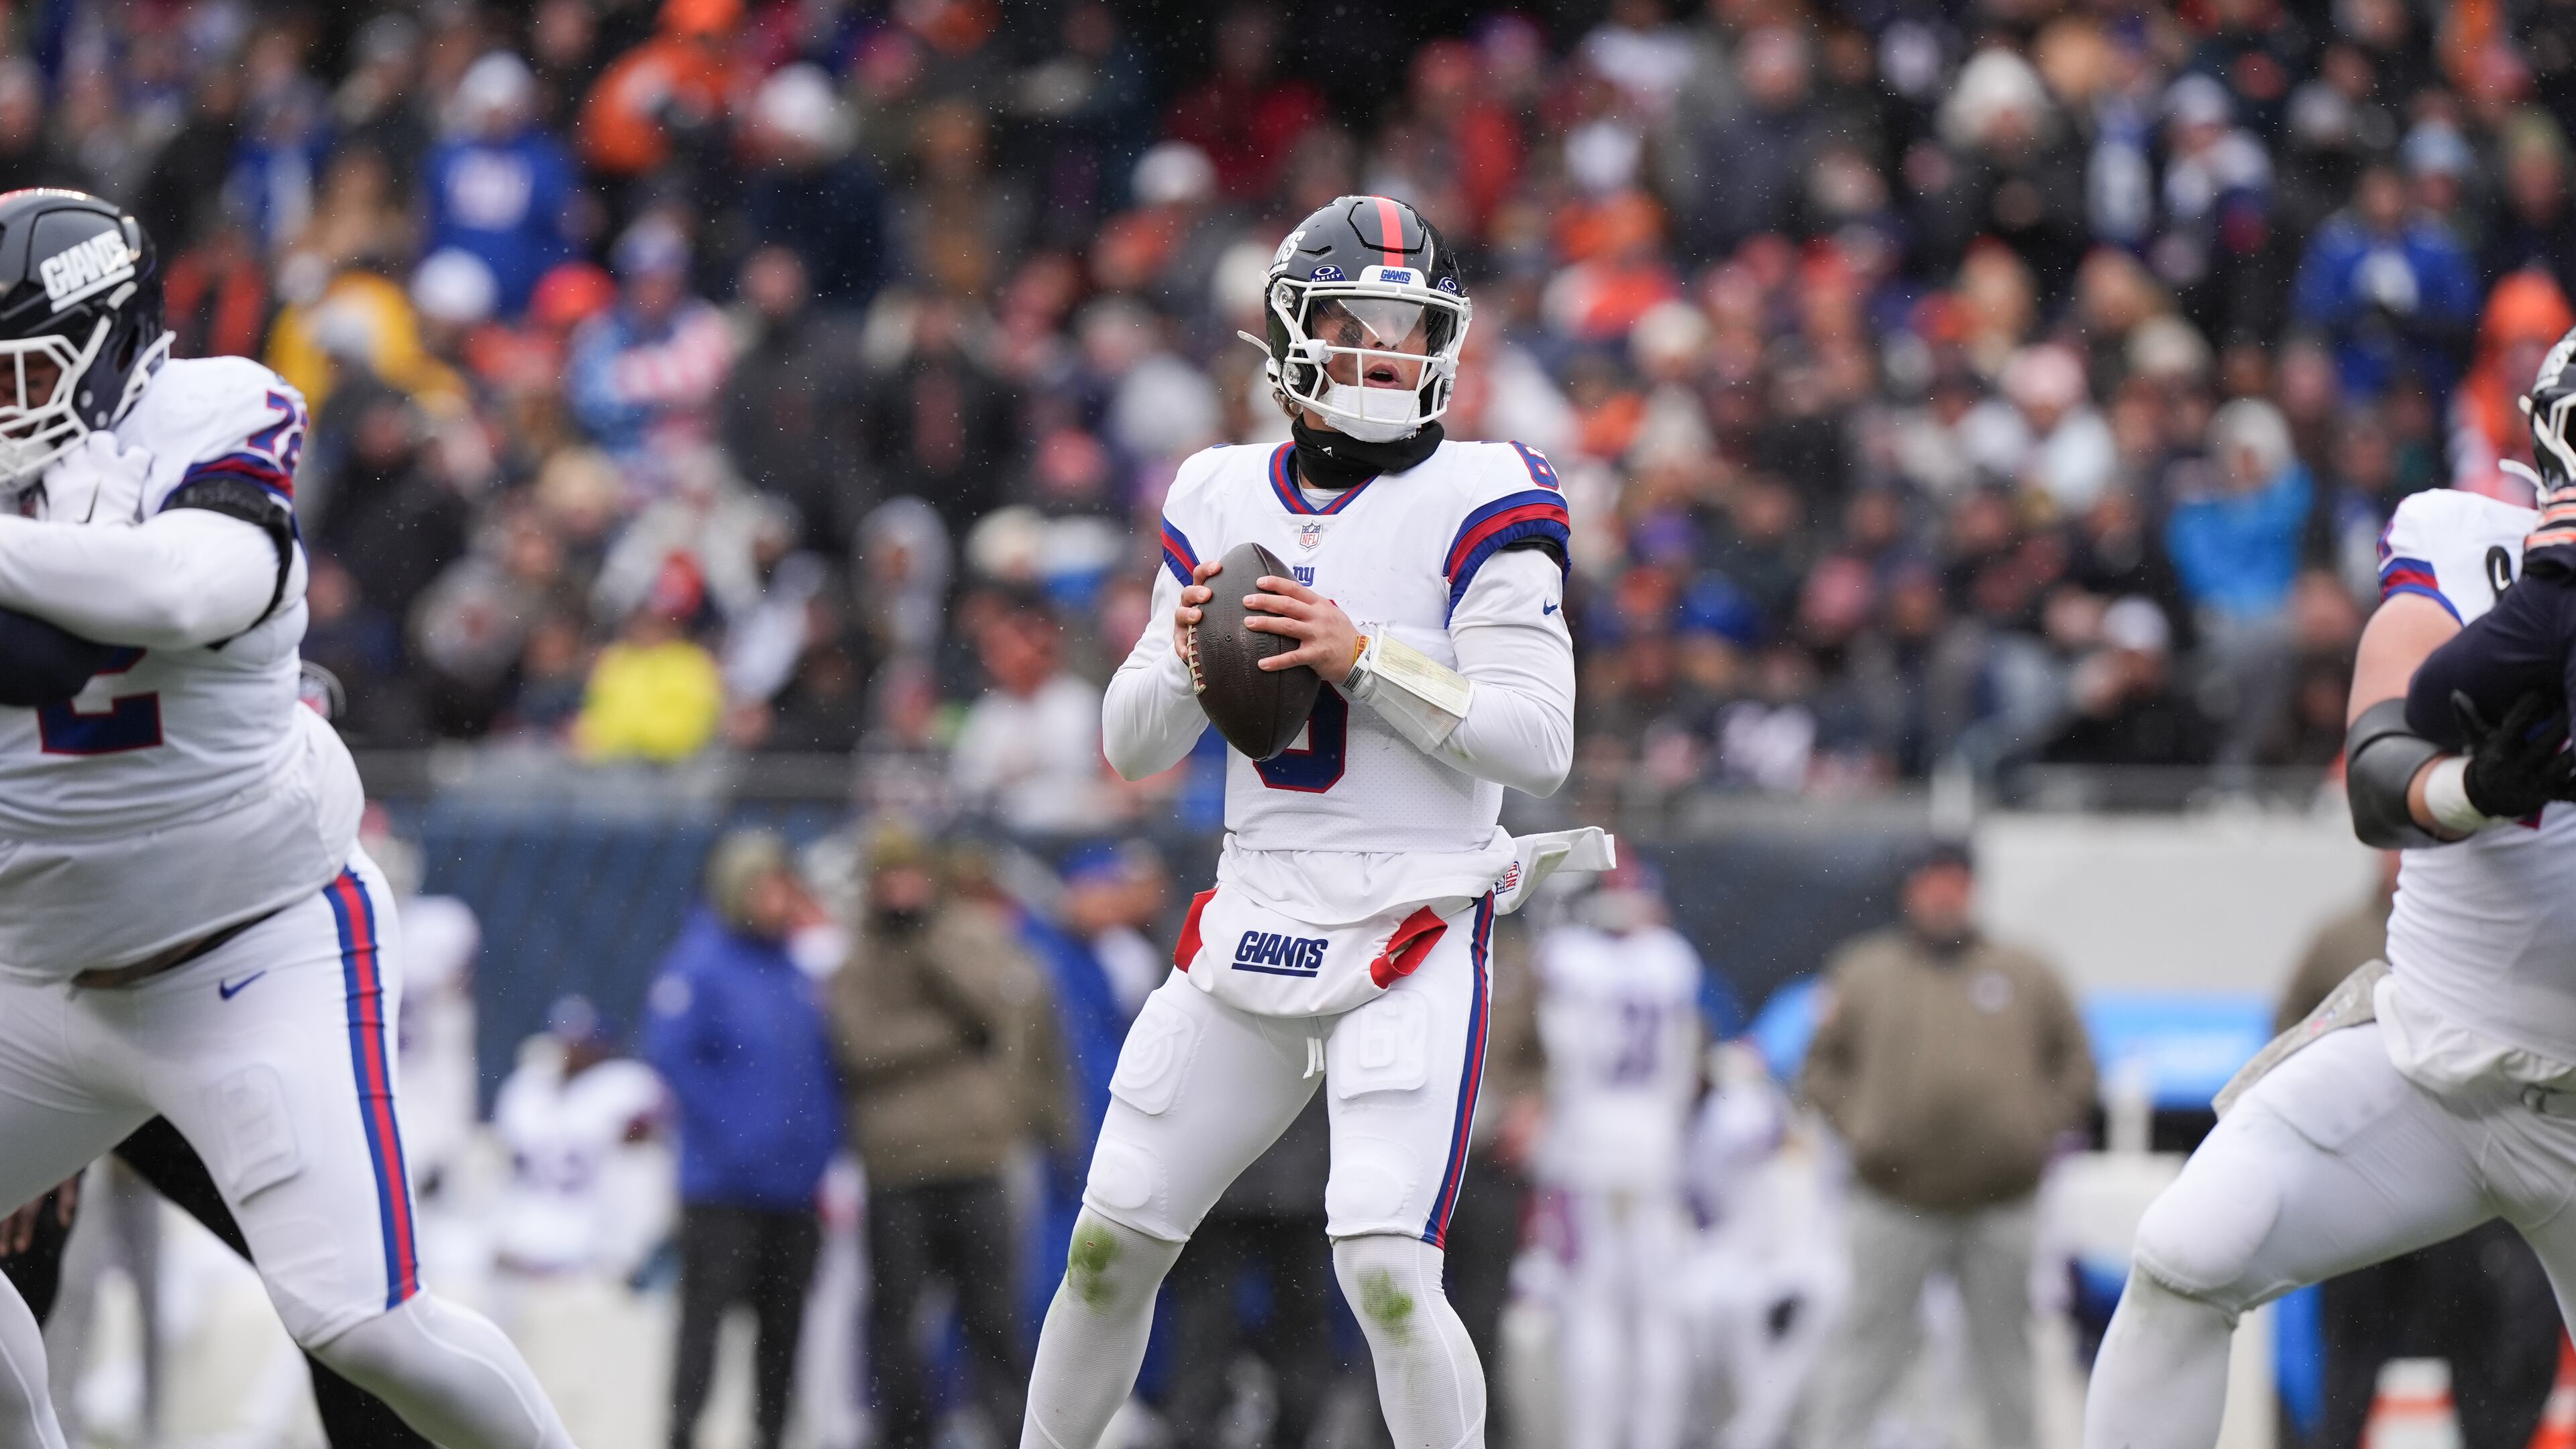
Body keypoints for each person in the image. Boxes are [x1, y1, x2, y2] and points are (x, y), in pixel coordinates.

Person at [1021, 195, 1609, 1449]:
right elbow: (1132, 747)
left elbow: (1538, 743)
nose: (1390, 351)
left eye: (1413, 326)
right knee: (1107, 1247)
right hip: (1257, 906)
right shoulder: (1217, 488)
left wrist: (1361, 656)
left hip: (1413, 919)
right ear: (1292, 333)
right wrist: (1186, 655)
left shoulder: (1490, 489)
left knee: (1388, 1268)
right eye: (1361, 321)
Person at [0, 189, 573, 1447]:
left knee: (367, 1330)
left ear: (103, 352)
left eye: (19, 373)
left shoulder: (214, 409)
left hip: (248, 949)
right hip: (41, 979)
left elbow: (192, 584)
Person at [2082, 330, 2576, 1449]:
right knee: (2186, 1257)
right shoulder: (2465, 547)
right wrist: (2470, 788)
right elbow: (2380, 765)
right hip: (2434, 1061)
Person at [1799, 841, 2096, 1449]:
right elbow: (1820, 1071)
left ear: (1972, 890)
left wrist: (2031, 1130)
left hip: (2001, 1201)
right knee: (1866, 1352)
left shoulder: (2025, 972)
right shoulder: (1864, 972)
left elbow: (2077, 1066)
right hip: (1893, 1198)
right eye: (1932, 883)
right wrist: (1864, 1129)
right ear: (1910, 892)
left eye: (1955, 883)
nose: (1943, 897)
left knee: (2007, 1363)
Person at [2272, 853, 2559, 1449]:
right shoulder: (2339, 937)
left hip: (2463, 1185)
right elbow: (2288, 1031)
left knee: (2487, 1356)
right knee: (2349, 1365)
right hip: (2360, 1183)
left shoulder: (2485, 929)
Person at [830, 823, 1046, 1449]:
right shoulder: (857, 959)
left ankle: (1013, 1434)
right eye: (888, 879)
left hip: (976, 1157)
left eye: (911, 876)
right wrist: (948, 1038)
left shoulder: (965, 935)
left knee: (996, 1318)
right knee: (899, 1321)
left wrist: (931, 951)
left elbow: (997, 1008)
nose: (901, 890)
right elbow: (859, 1049)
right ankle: (905, 1436)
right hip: (897, 1166)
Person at [643, 830, 843, 1449]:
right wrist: (739, 1136)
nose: (777, 899)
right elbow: (672, 1056)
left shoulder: (795, 967)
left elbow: (817, 1070)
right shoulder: (700, 963)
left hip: (793, 1191)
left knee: (782, 1334)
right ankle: (683, 1434)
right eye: (764, 884)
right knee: (704, 1327)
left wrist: (816, 1148)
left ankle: (772, 1435)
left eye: (784, 884)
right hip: (723, 1190)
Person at [1533, 859, 1707, 1449]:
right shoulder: (1673, 960)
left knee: (1593, 1308)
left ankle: (1593, 1440)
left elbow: (1562, 1059)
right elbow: (1683, 1071)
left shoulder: (1569, 957)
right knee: (1659, 1310)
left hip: (1589, 1148)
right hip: (1655, 1148)